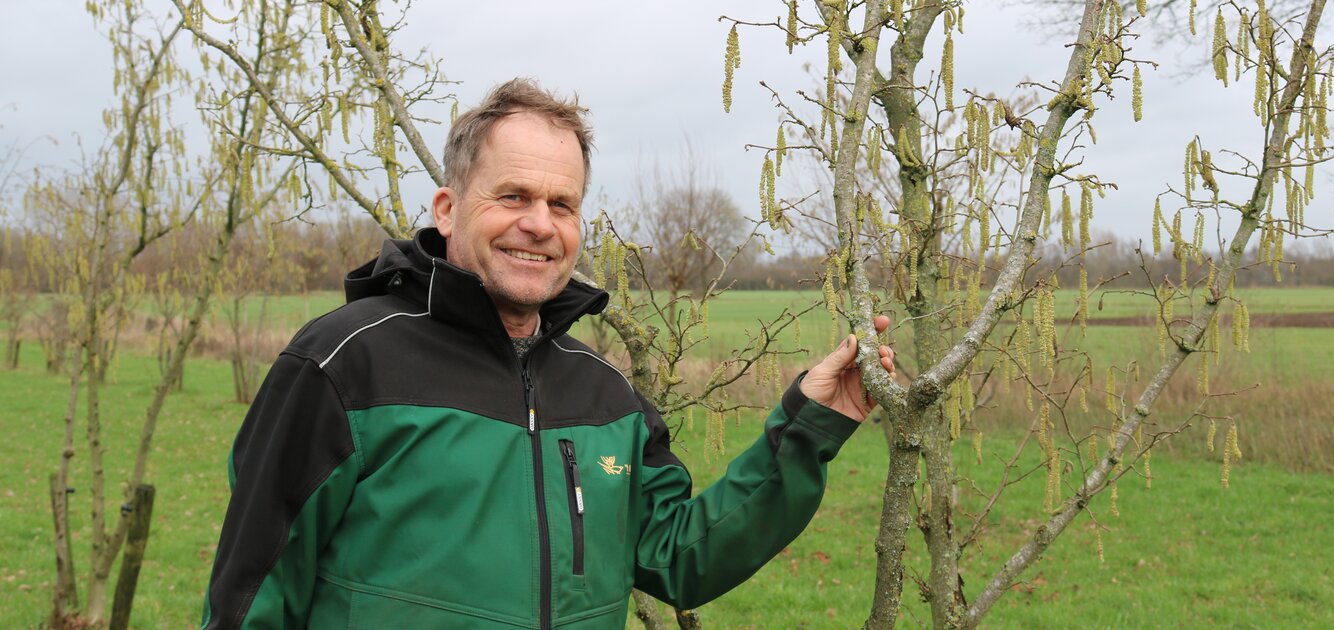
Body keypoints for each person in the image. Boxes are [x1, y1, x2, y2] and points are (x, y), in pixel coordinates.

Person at [200, 78, 895, 629]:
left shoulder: (605, 396)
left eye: (562, 204)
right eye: (513, 196)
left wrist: (810, 426)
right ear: (447, 208)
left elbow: (682, 556)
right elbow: (252, 593)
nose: (539, 224)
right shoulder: (343, 364)